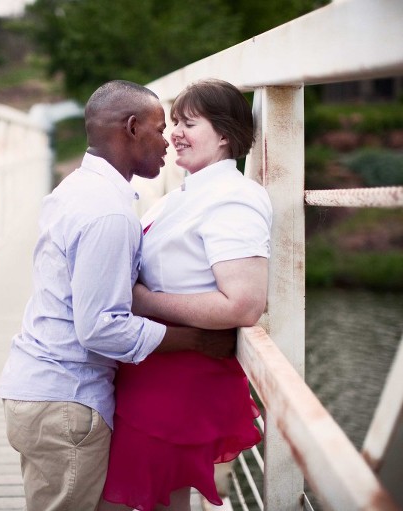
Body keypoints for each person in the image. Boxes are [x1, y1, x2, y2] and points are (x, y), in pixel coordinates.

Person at [0, 80, 237, 511]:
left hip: (41, 390)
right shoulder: (108, 212)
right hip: (66, 401)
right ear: (131, 128)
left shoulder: (75, 188)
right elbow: (100, 328)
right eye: (160, 128)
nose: (167, 141)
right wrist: (197, 341)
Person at [101, 78, 272, 511]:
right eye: (173, 121)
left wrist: (141, 301)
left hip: (179, 381)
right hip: (152, 369)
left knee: (140, 498)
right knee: (156, 499)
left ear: (225, 136)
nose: (173, 131)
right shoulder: (184, 194)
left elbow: (245, 304)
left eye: (189, 122)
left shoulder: (233, 199)